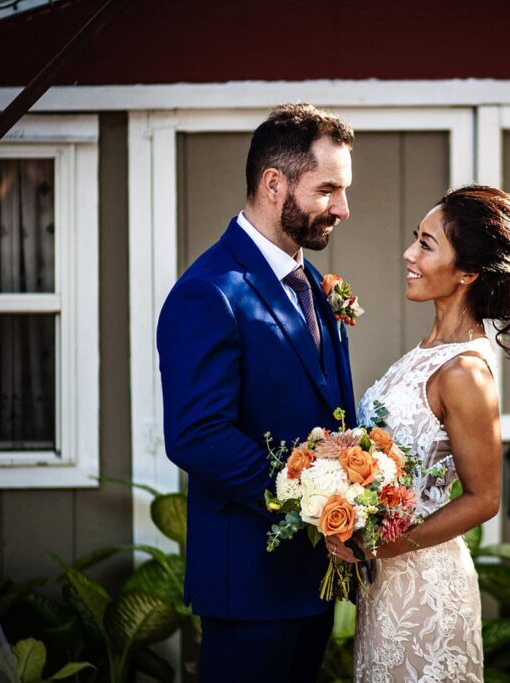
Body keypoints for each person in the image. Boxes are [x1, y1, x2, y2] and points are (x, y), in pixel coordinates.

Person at [157, 103, 356, 683]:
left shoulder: (318, 285)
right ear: (275, 184)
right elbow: (198, 436)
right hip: (249, 584)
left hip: (312, 581)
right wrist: (311, 502)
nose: (343, 208)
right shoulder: (209, 292)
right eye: (329, 190)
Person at [325, 185, 510, 682]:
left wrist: (384, 547)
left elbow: (484, 498)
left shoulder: (466, 372)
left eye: (426, 244)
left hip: (425, 587)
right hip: (383, 586)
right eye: (415, 239)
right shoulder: (426, 350)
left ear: (467, 272)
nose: (409, 254)